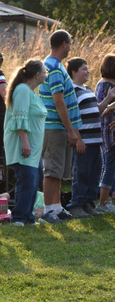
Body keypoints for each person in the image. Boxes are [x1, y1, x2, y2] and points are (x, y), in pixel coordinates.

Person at [38, 30, 82, 223]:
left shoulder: (56, 66)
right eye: (70, 43)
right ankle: (48, 211)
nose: (70, 47)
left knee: (58, 170)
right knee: (52, 169)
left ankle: (56, 208)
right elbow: (58, 101)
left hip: (59, 126)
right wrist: (71, 130)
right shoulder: (54, 67)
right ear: (64, 44)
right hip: (54, 126)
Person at [3, 60, 48, 225]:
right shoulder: (22, 90)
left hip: (33, 148)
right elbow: (19, 117)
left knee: (33, 183)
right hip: (23, 146)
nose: (46, 74)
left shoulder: (31, 92)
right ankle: (18, 218)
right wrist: (25, 142)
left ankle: (28, 217)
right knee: (27, 182)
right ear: (37, 74)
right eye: (45, 72)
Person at [65, 58, 108, 217]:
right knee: (81, 173)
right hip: (84, 141)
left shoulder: (88, 89)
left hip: (96, 141)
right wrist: (79, 139)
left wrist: (109, 98)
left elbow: (97, 110)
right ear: (74, 72)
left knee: (94, 174)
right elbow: (71, 117)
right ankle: (76, 204)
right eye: (84, 69)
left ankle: (88, 203)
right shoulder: (72, 91)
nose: (88, 72)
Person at [95, 54, 115, 213]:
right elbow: (103, 110)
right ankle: (103, 202)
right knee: (108, 166)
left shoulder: (103, 84)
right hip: (110, 132)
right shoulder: (108, 86)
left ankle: (107, 199)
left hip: (106, 131)